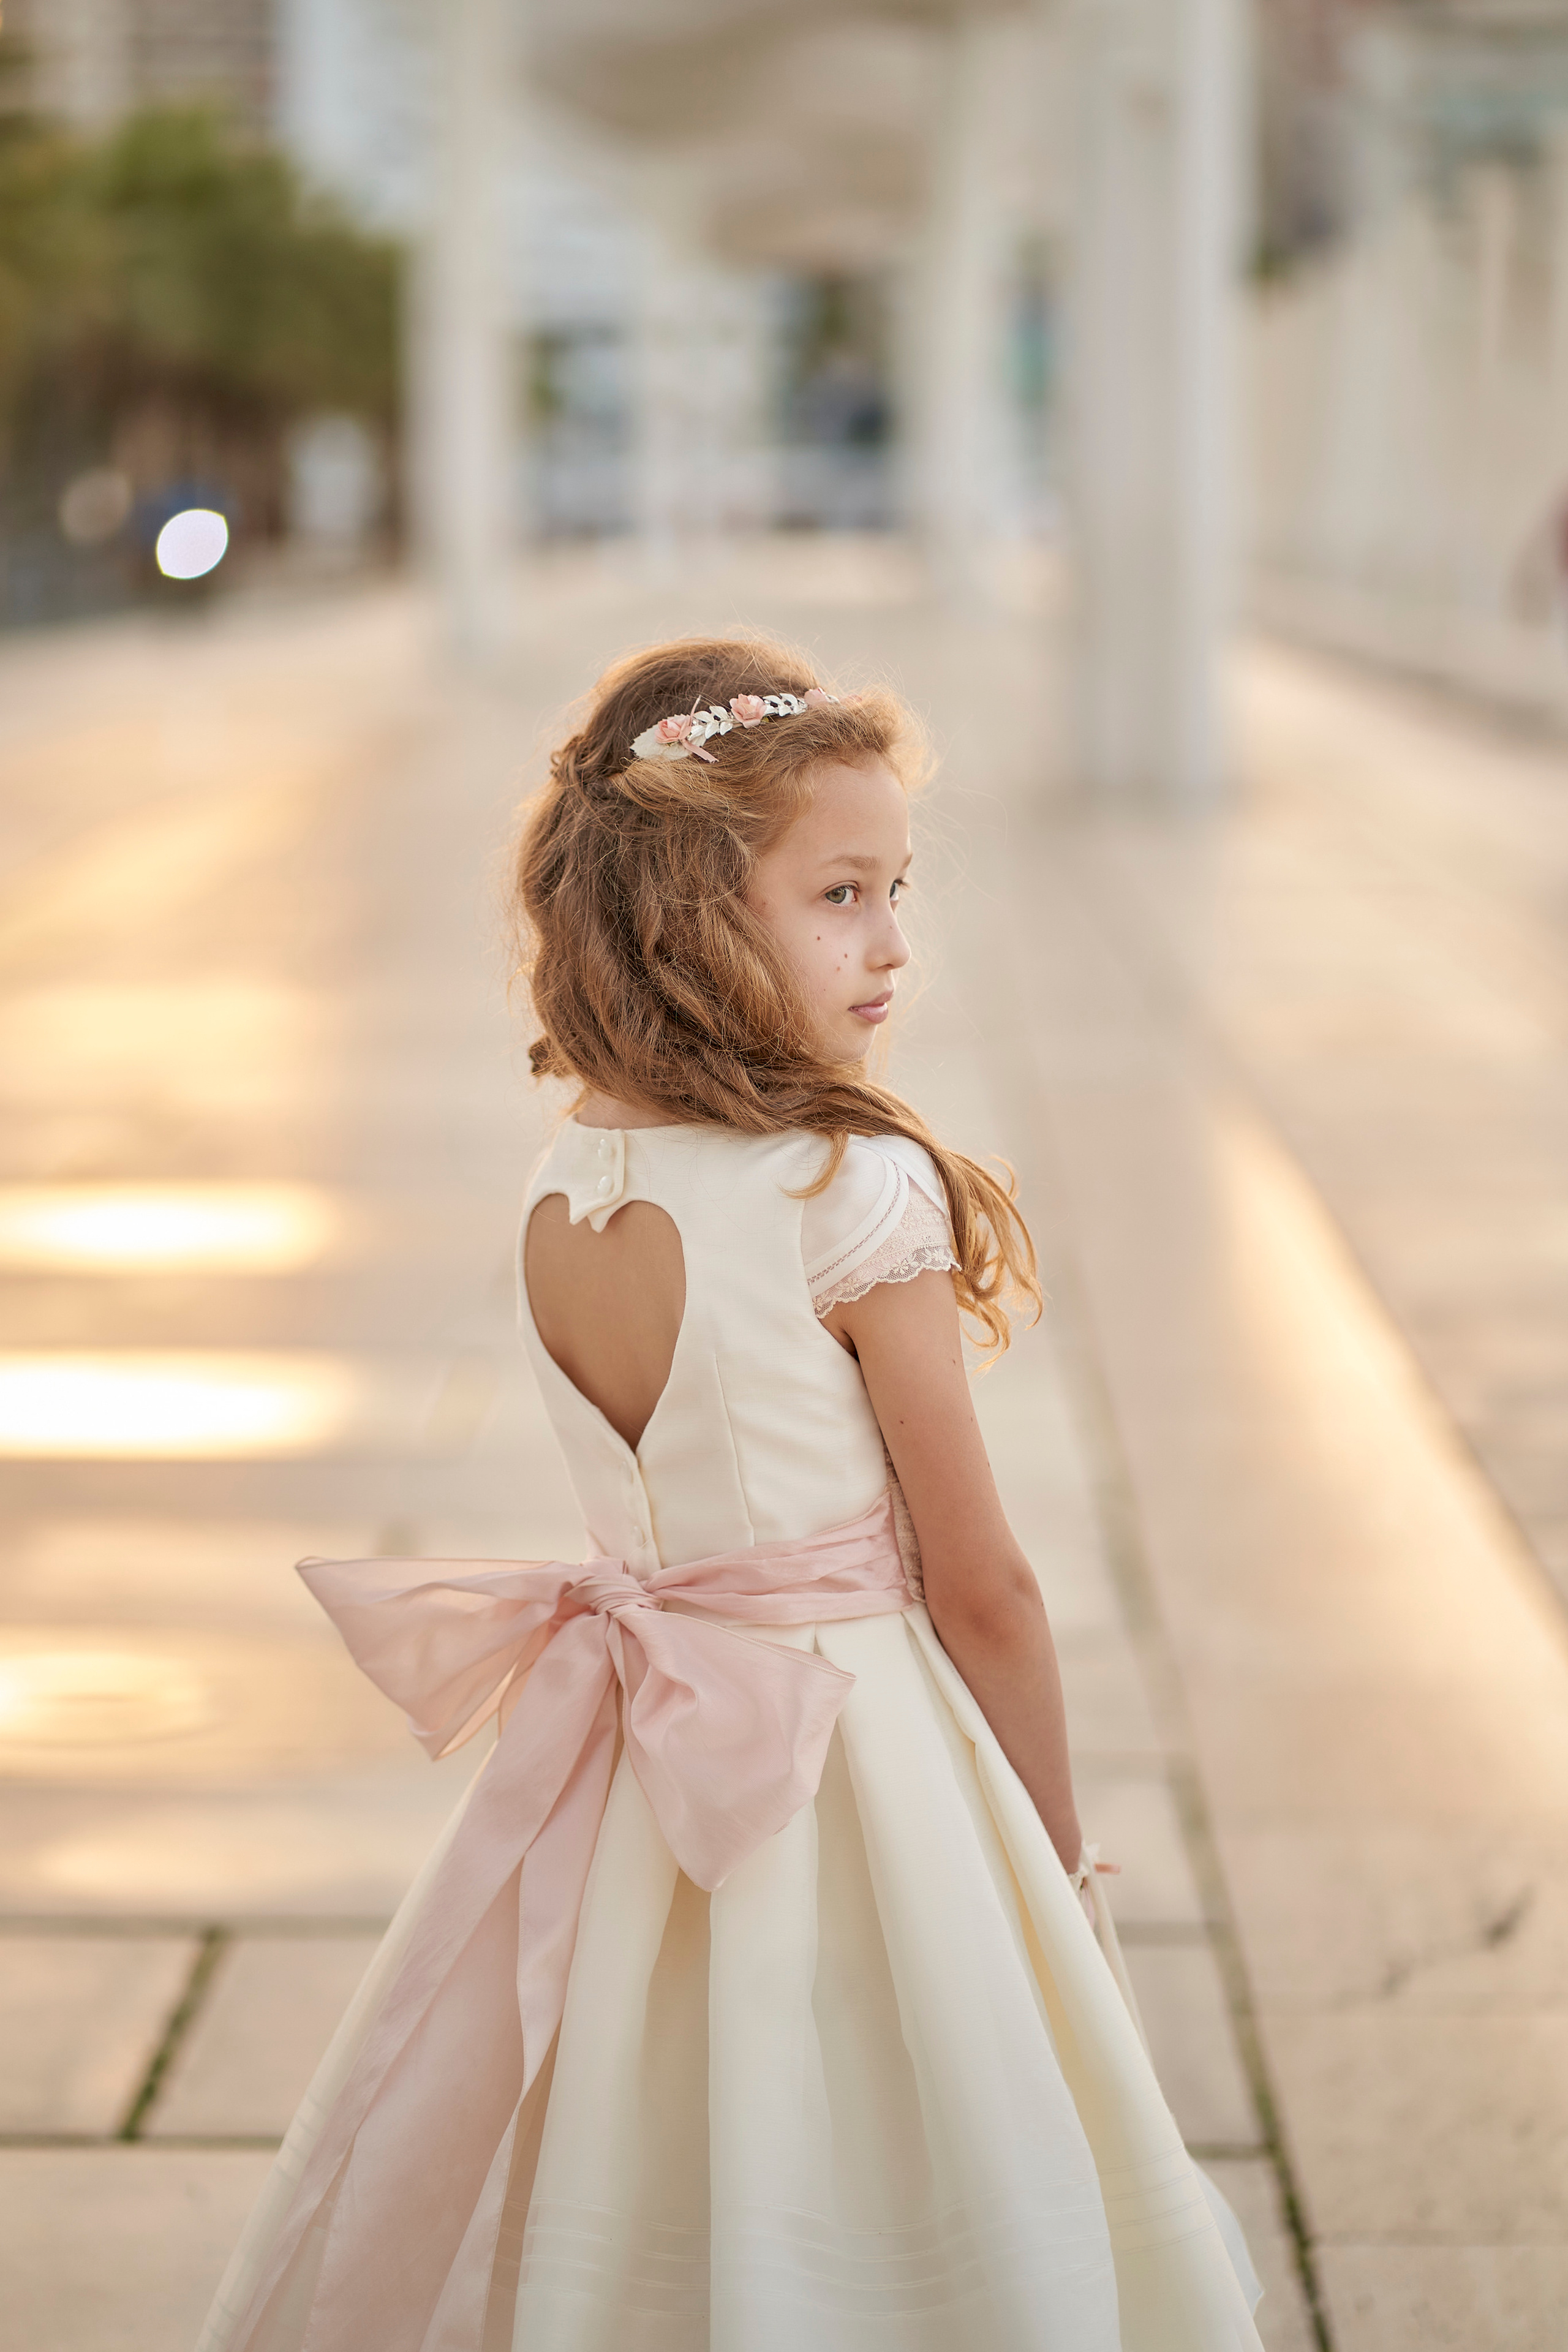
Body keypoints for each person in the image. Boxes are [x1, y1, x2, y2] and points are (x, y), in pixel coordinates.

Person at [197, 638, 1264, 2352]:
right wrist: (1053, 1860)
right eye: (841, 894)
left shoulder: (564, 1183)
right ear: (693, 915)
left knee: (660, 2114)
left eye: (898, 888)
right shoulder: (847, 1185)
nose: (892, 942)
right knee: (902, 2128)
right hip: (859, 1751)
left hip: (642, 1764)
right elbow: (984, 1588)